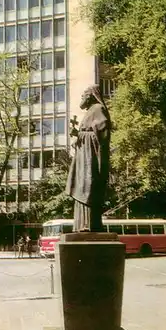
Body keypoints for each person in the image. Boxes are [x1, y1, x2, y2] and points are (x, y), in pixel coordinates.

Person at [66, 84, 111, 232]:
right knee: (81, 187)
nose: (81, 98)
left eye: (83, 95)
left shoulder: (98, 109)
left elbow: (102, 135)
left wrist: (79, 135)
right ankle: (82, 225)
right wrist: (78, 138)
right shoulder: (90, 111)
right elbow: (89, 134)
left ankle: (90, 224)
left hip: (90, 161)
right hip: (83, 158)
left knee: (87, 187)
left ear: (90, 95)